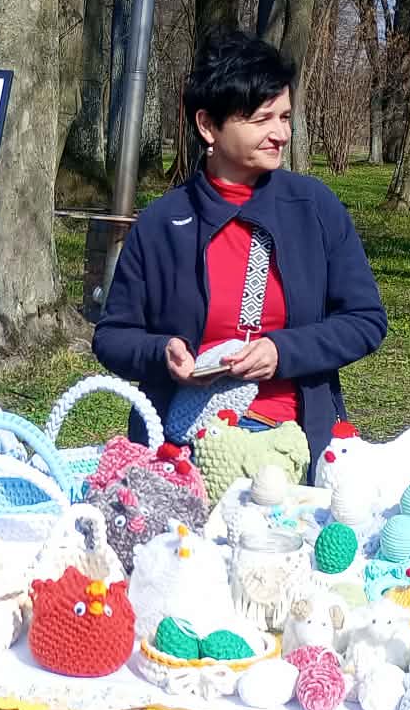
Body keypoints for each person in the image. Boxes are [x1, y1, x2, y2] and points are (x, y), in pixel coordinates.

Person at [93, 28, 387, 469]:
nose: (280, 133)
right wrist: (163, 352)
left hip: (291, 441)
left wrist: (282, 352)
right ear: (208, 125)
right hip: (181, 446)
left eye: (284, 117)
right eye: (262, 119)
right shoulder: (162, 223)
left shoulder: (314, 208)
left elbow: (365, 320)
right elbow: (113, 337)